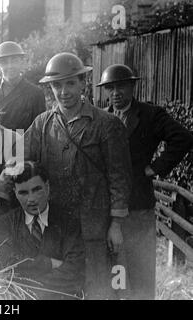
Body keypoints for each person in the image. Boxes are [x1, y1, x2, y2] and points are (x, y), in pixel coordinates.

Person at [25, 53, 133, 300]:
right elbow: (18, 161)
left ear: (83, 82)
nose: (63, 91)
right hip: (57, 230)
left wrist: (116, 225)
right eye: (57, 85)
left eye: (70, 83)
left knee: (99, 290)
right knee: (59, 291)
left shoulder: (106, 124)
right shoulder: (42, 124)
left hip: (94, 229)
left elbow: (120, 177)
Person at [97, 64, 193, 299]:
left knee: (140, 270)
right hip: (107, 208)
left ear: (132, 87)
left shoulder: (150, 115)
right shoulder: (100, 117)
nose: (116, 93)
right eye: (111, 88)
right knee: (114, 270)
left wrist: (155, 168)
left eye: (122, 86)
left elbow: (183, 138)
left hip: (138, 206)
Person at [0, 161, 85, 300]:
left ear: (47, 187)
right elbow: (8, 268)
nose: (31, 199)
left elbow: (74, 272)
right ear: (15, 192)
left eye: (37, 190)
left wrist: (32, 288)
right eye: (23, 193)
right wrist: (49, 263)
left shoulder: (68, 223)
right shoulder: (5, 224)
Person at [0, 41, 47, 131]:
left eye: (14, 61)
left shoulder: (35, 94)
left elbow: (40, 129)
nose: (10, 66)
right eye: (4, 62)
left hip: (24, 143)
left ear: (22, 62)